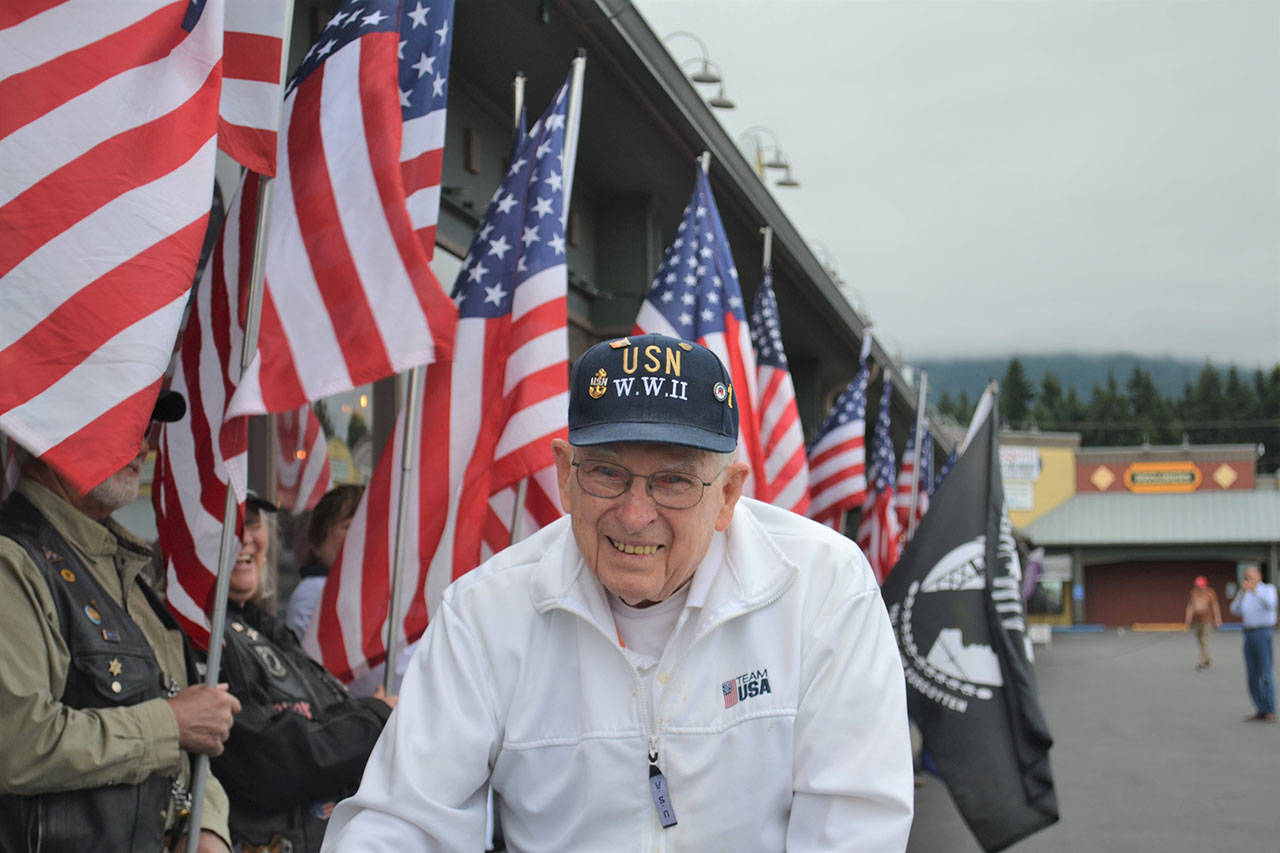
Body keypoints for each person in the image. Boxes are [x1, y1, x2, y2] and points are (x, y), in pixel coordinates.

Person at [322, 334, 914, 851]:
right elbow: (404, 821)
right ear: (564, 474)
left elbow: (855, 827)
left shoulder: (822, 588)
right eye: (607, 472)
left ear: (728, 494)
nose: (634, 515)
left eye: (673, 480)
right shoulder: (485, 614)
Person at [0, 390, 239, 852]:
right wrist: (168, 725)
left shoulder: (123, 567)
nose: (144, 444)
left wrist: (206, 821)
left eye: (144, 427)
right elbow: (17, 744)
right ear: (53, 429)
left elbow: (186, 716)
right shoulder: (13, 561)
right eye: (122, 422)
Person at [208, 492, 395, 852]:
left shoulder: (266, 628)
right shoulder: (199, 633)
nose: (244, 536)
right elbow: (267, 759)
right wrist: (376, 717)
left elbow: (316, 723)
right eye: (226, 518)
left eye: (252, 522)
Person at [285, 485, 364, 640]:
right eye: (347, 526)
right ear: (317, 544)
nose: (358, 534)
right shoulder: (314, 591)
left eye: (363, 525)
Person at [1228, 566, 1277, 723]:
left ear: (1259, 576)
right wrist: (1242, 593)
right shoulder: (1245, 593)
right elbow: (1234, 610)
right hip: (1248, 633)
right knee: (1252, 674)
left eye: (1251, 576)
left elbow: (1271, 604)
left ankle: (1270, 709)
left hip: (1263, 632)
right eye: (1246, 576)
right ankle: (1260, 708)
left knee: (1265, 672)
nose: (1248, 579)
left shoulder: (1268, 589)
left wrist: (1255, 590)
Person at [1183, 575, 1221, 671]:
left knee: (1204, 641)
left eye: (1201, 586)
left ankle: (1201, 662)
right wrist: (1188, 618)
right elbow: (1190, 606)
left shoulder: (1210, 593)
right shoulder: (1193, 593)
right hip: (1197, 622)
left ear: (1205, 585)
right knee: (1200, 641)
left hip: (1207, 621)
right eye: (1197, 586)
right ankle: (1207, 658)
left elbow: (1215, 606)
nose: (1199, 588)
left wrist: (1218, 619)